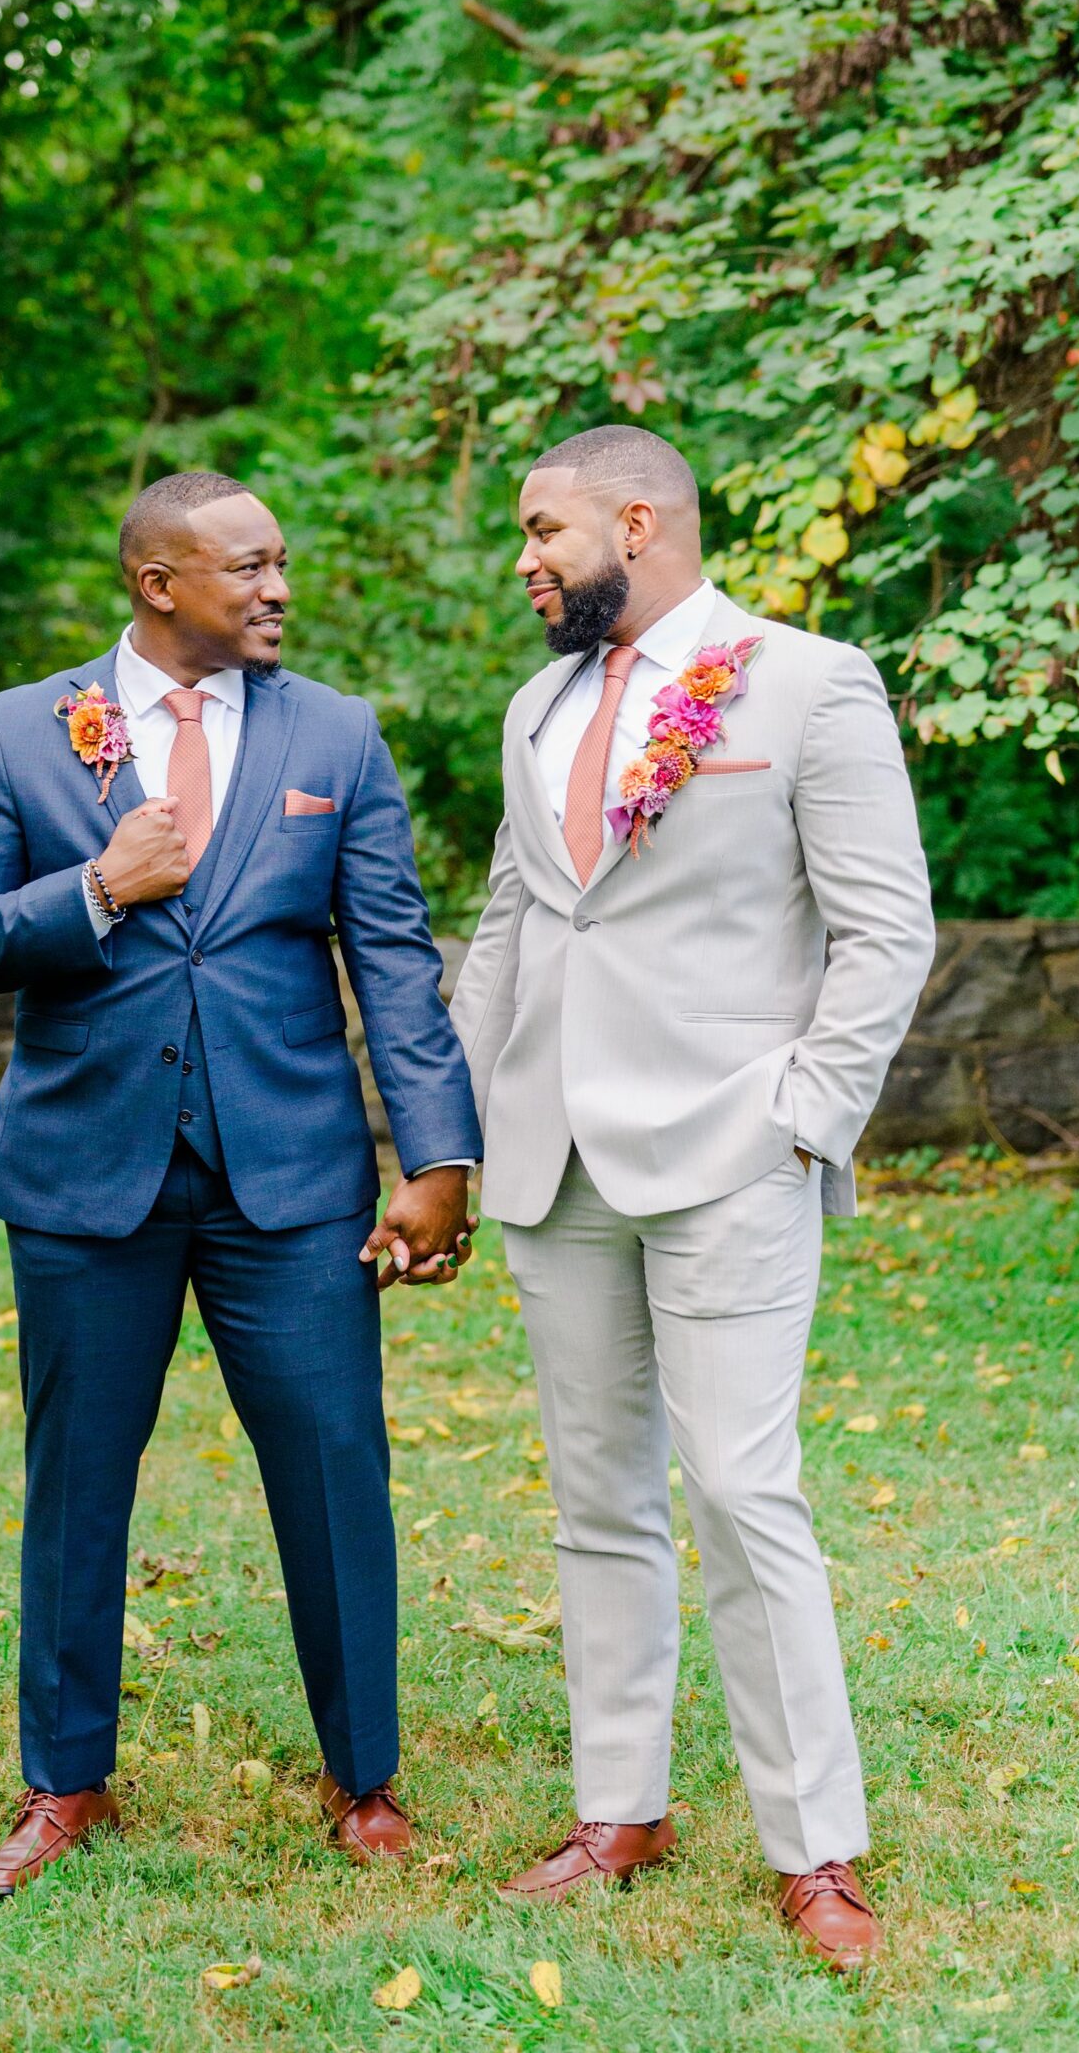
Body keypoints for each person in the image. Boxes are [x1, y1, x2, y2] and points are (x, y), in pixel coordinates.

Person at [0, 471, 480, 1897]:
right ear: (159, 584)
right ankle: (64, 1782)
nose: (278, 587)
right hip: (82, 1182)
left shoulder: (336, 736)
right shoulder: (22, 732)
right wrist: (97, 890)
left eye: (283, 562)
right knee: (77, 1479)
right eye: (248, 567)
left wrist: (439, 1156)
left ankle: (364, 1780)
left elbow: (394, 961)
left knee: (339, 1470)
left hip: (286, 1184)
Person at [447, 425, 935, 1971]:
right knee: (598, 1497)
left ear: (636, 521)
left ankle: (816, 1846)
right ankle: (620, 1807)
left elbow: (886, 931)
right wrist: (455, 1136)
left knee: (741, 1490)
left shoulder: (803, 684)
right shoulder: (540, 707)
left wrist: (803, 1119)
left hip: (733, 1149)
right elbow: (515, 927)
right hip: (555, 1160)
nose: (525, 560)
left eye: (544, 532)